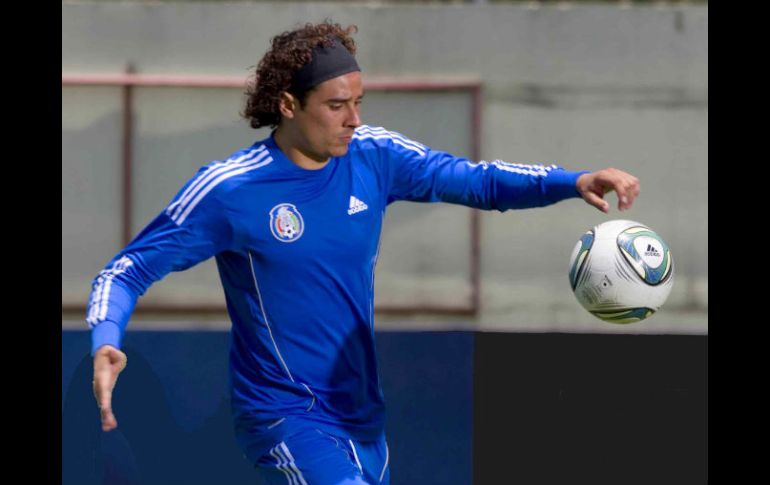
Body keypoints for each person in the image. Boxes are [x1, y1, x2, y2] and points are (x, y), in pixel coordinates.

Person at [88, 21, 640, 485]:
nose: (353, 119)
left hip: (363, 418)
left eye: (358, 102)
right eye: (336, 105)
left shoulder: (374, 155)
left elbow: (479, 182)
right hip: (287, 415)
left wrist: (573, 180)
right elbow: (127, 269)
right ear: (287, 105)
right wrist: (107, 338)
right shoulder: (231, 190)